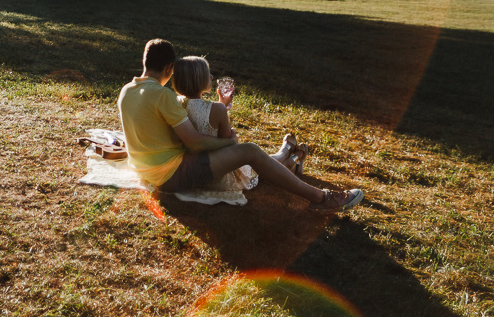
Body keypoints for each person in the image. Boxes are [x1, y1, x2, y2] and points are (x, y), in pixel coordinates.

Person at [117, 39, 364, 212]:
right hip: (170, 174)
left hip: (146, 171)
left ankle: (289, 159)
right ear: (169, 68)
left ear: (145, 61)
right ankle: (322, 198)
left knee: (249, 156)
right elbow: (194, 143)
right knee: (249, 151)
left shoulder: (126, 91)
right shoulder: (162, 95)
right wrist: (229, 142)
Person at [171, 55, 308, 184]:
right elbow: (229, 147)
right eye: (208, 73)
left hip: (191, 170)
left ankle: (290, 155)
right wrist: (224, 115)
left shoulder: (173, 104)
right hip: (219, 171)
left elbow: (198, 113)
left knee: (262, 160)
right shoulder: (218, 109)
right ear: (198, 78)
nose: (212, 77)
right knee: (264, 163)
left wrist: (221, 105)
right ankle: (293, 159)